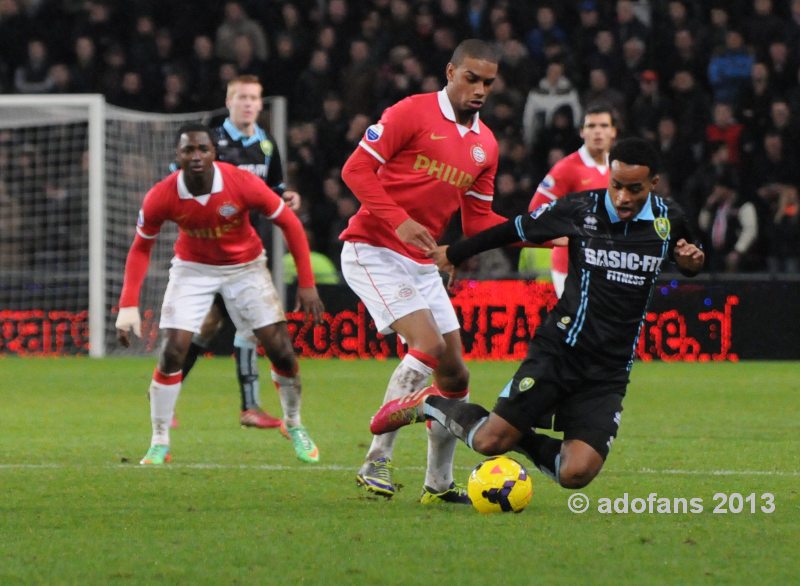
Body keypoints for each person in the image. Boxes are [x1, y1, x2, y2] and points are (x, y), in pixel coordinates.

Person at [370, 138, 705, 491]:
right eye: (616, 185)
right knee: (488, 443)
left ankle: (520, 435)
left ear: (654, 183)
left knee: (575, 474)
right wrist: (456, 251)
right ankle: (429, 404)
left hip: (609, 369)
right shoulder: (580, 209)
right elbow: (515, 228)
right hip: (561, 351)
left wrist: (690, 263)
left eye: (634, 189)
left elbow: (691, 257)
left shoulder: (670, 219)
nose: (622, 197)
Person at [339, 39, 513, 504]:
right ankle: (376, 459)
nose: (479, 90)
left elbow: (479, 222)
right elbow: (355, 171)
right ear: (451, 71)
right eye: (471, 78)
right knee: (429, 347)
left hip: (422, 262)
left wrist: (539, 231)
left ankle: (437, 484)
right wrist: (400, 219)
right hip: (371, 248)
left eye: (488, 83)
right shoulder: (409, 113)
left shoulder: (486, 145)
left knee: (455, 375)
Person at [115, 124, 324, 465]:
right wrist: (127, 305)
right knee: (172, 351)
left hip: (245, 267)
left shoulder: (240, 183)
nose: (196, 156)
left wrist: (307, 283)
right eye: (188, 150)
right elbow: (140, 248)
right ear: (177, 156)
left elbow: (289, 223)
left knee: (281, 351)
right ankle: (159, 441)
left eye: (202, 149)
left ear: (214, 153)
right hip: (192, 269)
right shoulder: (162, 194)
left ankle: (294, 423)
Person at [180, 75, 303, 431]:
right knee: (243, 322)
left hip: (248, 251)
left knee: (211, 323)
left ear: (261, 104)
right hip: (211, 249)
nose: (248, 103)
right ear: (229, 101)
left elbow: (274, 189)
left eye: (254, 98)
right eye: (242, 97)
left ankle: (166, 387)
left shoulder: (266, 145)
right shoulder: (210, 141)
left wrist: (287, 198)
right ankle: (248, 406)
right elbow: (183, 181)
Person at [519, 103, 617, 297]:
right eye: (591, 126)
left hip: (607, 263)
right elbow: (536, 209)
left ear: (613, 132)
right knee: (579, 324)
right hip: (571, 266)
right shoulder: (567, 168)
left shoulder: (616, 169)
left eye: (604, 126)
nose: (598, 131)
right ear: (582, 132)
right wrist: (561, 235)